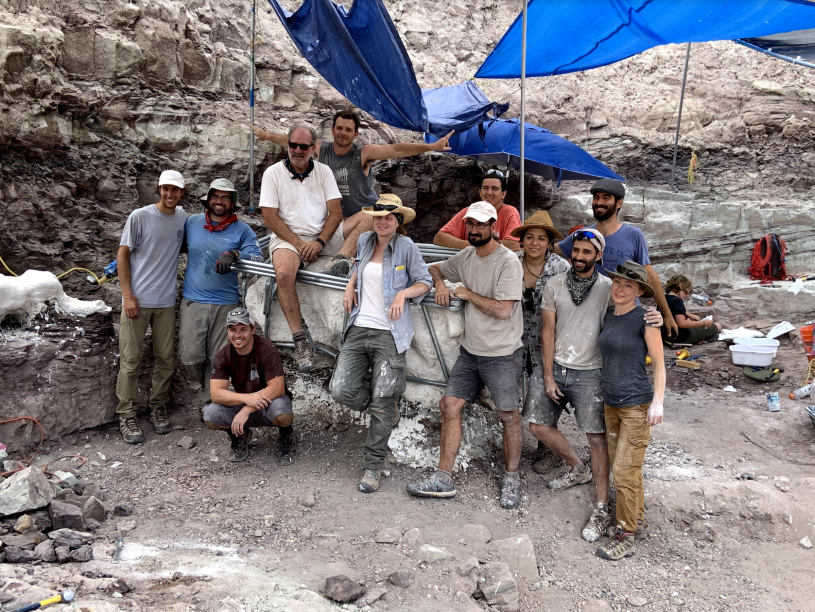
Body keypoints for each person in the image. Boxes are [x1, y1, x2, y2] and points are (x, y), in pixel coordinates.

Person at [533, 228, 662, 543]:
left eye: (587, 252)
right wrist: (548, 375)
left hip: (592, 372)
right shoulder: (555, 284)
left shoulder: (608, 288)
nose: (579, 257)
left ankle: (604, 506)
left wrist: (654, 316)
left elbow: (632, 315)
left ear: (599, 256)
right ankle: (579, 468)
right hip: (558, 366)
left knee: (597, 439)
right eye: (575, 251)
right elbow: (547, 332)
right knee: (537, 424)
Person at [406, 201, 525, 509]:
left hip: (501, 353)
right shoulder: (467, 255)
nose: (473, 229)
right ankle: (443, 479)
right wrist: (441, 282)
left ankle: (512, 478)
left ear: (494, 228)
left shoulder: (508, 261)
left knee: (509, 415)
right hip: (471, 352)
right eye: (470, 223)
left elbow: (503, 309)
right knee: (449, 405)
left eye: (480, 224)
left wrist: (467, 294)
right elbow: (434, 266)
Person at [250, 109, 453, 276]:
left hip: (361, 218)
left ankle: (340, 261)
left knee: (370, 217)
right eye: (339, 128)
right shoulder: (320, 149)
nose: (342, 133)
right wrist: (266, 136)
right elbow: (293, 143)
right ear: (332, 130)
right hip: (336, 221)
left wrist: (432, 146)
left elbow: (397, 150)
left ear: (355, 133)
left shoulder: (363, 154)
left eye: (348, 129)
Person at [331, 194, 432, 493]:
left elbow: (425, 281)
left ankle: (372, 467)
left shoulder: (406, 247)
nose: (382, 221)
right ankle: (384, 411)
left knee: (385, 395)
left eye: (389, 216)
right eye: (378, 216)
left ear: (398, 220)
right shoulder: (364, 240)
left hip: (390, 333)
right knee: (341, 389)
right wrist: (351, 285)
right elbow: (357, 267)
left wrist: (403, 294)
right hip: (359, 326)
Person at [259, 123, 347, 372]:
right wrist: (300, 244)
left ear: (312, 148)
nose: (297, 150)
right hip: (290, 237)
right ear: (288, 145)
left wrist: (319, 242)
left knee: (367, 219)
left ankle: (341, 258)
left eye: (303, 146)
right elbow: (269, 216)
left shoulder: (324, 172)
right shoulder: (273, 173)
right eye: (293, 145)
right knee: (285, 274)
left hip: (321, 235)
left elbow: (336, 211)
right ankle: (300, 338)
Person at [595, 261, 665, 561]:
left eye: (628, 285)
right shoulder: (609, 315)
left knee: (624, 470)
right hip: (611, 403)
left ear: (639, 291)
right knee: (626, 469)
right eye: (617, 283)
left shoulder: (646, 319)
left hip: (636, 404)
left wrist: (659, 401)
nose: (620, 289)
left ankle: (625, 534)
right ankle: (635, 519)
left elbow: (660, 364)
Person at [115, 170, 188, 444]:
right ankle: (126, 413)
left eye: (175, 190)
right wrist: (127, 295)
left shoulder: (182, 218)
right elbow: (123, 254)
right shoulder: (140, 217)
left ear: (182, 192)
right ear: (159, 189)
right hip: (138, 301)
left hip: (166, 302)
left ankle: (158, 408)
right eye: (165, 189)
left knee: (166, 359)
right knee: (131, 360)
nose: (170, 194)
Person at [180, 178, 263, 417]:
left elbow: (257, 257)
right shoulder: (192, 223)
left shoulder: (242, 229)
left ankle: (208, 402)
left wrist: (235, 253)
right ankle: (205, 388)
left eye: (225, 197)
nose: (219, 201)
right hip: (193, 299)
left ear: (232, 203)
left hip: (226, 302)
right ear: (208, 200)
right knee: (190, 356)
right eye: (215, 196)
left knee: (217, 358)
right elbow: (173, 246)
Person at [554, 178, 679, 339]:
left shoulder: (634, 235)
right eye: (596, 197)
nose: (599, 202)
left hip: (625, 314)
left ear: (619, 203)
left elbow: (649, 275)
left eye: (606, 198)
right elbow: (553, 250)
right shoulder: (585, 235)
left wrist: (667, 314)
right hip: (591, 315)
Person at [510, 211, 571, 476]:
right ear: (522, 240)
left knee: (544, 393)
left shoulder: (561, 267)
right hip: (513, 340)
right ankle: (511, 443)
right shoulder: (510, 262)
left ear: (549, 243)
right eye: (530, 237)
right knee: (509, 391)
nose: (535, 242)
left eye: (541, 238)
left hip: (547, 342)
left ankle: (548, 450)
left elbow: (570, 306)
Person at [203, 308, 297, 464]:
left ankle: (287, 435)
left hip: (268, 403)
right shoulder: (222, 355)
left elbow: (277, 388)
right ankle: (240, 435)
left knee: (282, 411)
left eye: (243, 329)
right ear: (227, 330)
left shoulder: (267, 349)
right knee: (211, 414)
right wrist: (246, 399)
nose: (237, 335)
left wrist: (247, 409)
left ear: (253, 329)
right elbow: (216, 394)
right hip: (246, 400)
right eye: (232, 329)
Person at [433, 170, 521, 251]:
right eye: (485, 188)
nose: (489, 192)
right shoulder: (469, 211)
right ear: (480, 192)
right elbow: (439, 238)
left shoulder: (509, 212)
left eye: (495, 188)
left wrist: (479, 245)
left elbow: (514, 244)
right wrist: (473, 246)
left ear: (503, 194)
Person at [662, 275, 721, 344]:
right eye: (686, 292)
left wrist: (688, 314)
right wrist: (704, 323)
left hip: (666, 337)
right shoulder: (677, 301)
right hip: (682, 338)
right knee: (718, 326)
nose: (686, 295)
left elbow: (671, 309)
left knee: (691, 322)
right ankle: (703, 340)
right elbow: (682, 324)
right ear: (680, 285)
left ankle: (702, 338)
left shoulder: (664, 298)